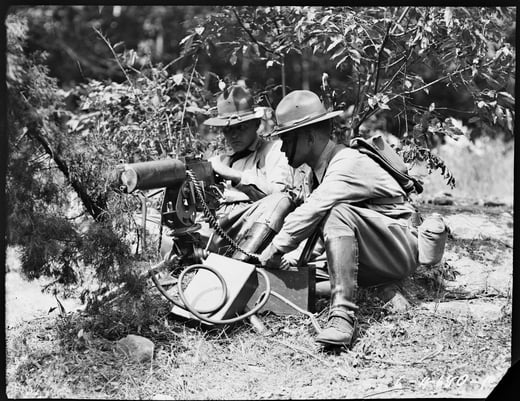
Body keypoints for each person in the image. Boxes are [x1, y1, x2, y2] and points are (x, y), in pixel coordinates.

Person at [259, 90, 419, 348]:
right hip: (374, 253)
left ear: (309, 137)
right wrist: (288, 260)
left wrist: (276, 248)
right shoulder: (315, 173)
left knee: (338, 213)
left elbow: (314, 213)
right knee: (297, 272)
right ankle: (378, 288)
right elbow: (320, 235)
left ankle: (342, 317)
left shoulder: (345, 163)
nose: (283, 148)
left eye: (287, 139)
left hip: (398, 248)